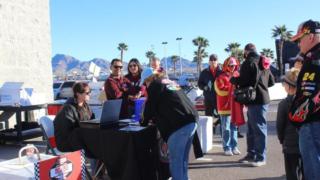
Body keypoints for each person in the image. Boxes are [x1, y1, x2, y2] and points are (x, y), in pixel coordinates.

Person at [140, 68, 198, 180]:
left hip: (179, 125)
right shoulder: (169, 82)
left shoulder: (155, 85)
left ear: (148, 79)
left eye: (145, 83)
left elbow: (149, 108)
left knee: (176, 162)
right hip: (191, 120)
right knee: (183, 160)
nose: (145, 86)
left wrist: (143, 122)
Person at [230, 43, 275, 167]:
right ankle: (252, 154)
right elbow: (271, 82)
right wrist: (261, 86)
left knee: (258, 129)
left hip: (254, 101)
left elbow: (243, 81)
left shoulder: (248, 62)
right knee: (253, 129)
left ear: (246, 52)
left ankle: (260, 157)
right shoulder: (264, 62)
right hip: (263, 99)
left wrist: (233, 79)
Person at [289, 20, 320, 180]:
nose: (298, 44)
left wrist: (293, 116)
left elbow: (307, 100)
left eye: (300, 39)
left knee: (313, 171)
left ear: (312, 36)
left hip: (313, 125)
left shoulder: (314, 60)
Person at [276, 68, 303, 180]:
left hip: (290, 145)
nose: (283, 86)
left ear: (289, 86)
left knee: (292, 173)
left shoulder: (283, 104)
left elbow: (279, 126)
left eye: (284, 83)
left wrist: (282, 139)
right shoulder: (305, 101)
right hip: (305, 143)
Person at [54, 82, 94, 152]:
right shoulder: (67, 108)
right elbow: (67, 131)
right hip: (67, 143)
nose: (89, 94)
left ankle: (97, 162)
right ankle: (94, 162)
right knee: (95, 144)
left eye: (90, 92)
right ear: (78, 94)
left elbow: (92, 120)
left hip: (81, 138)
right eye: (87, 93)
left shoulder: (86, 106)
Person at [214, 57, 242, 156]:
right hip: (224, 107)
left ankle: (234, 146)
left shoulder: (238, 76)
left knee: (234, 128)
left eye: (234, 65)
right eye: (230, 65)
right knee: (226, 128)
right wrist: (233, 89)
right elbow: (220, 90)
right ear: (226, 66)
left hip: (235, 107)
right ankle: (226, 147)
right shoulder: (221, 77)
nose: (232, 67)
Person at [198, 54, 222, 134]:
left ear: (217, 61)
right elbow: (199, 83)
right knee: (208, 116)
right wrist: (204, 87)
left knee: (222, 116)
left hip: (219, 97)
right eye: (211, 60)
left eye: (215, 59)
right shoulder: (204, 72)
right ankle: (210, 131)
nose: (213, 61)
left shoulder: (222, 71)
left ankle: (218, 127)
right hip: (208, 97)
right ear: (209, 61)